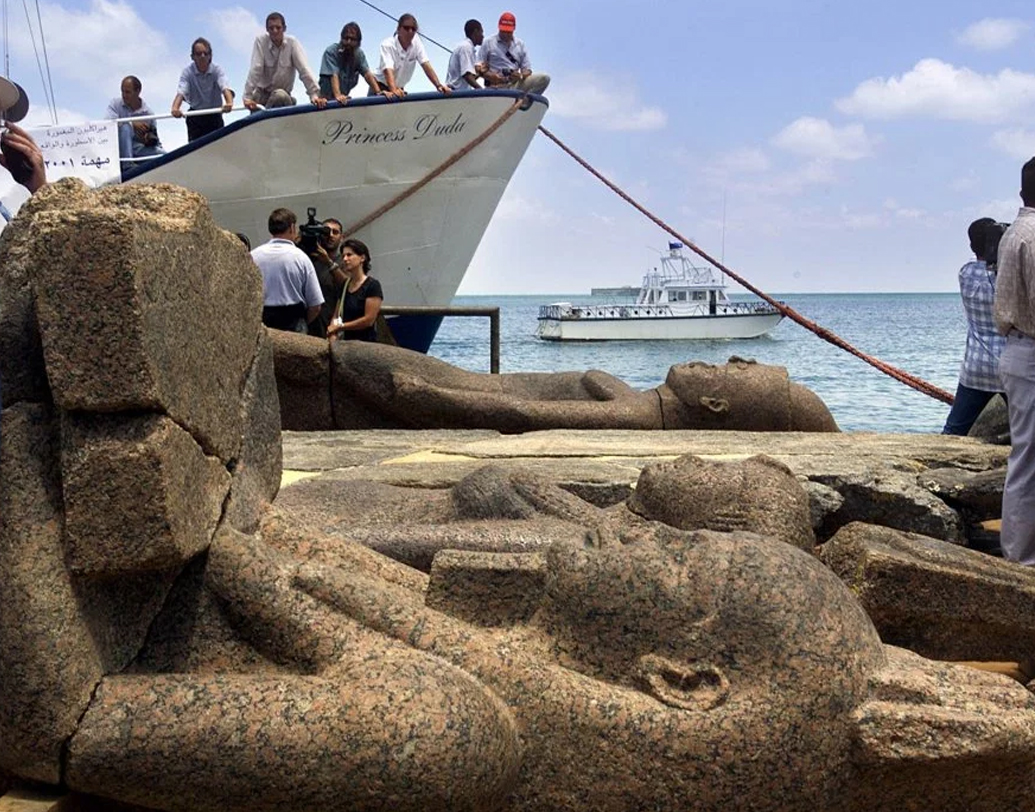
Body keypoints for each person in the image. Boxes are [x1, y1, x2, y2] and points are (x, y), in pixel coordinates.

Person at [995, 156, 1035, 566]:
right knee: (1028, 461)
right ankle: (1023, 562)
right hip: (1031, 350)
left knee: (1025, 457)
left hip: (1018, 349)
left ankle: (1021, 556)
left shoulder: (1014, 232)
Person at [942, 218, 1007, 435]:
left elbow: (977, 265)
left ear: (972, 246)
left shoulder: (965, 273)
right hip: (1009, 366)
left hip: (976, 366)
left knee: (955, 428)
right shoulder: (1006, 276)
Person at [251, 207, 324, 333]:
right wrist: (303, 323)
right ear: (292, 228)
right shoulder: (301, 258)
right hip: (293, 322)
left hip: (262, 321)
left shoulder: (253, 256)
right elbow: (316, 305)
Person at [243, 12, 326, 111]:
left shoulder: (292, 43)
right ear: (267, 29)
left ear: (284, 28)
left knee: (280, 96)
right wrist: (247, 97)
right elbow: (255, 69)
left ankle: (268, 117)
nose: (275, 31)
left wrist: (314, 95)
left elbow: (304, 70)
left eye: (278, 27)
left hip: (282, 96)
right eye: (271, 28)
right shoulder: (260, 42)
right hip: (262, 95)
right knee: (257, 99)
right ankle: (260, 119)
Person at [369, 14, 451, 98]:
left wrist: (438, 85)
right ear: (398, 29)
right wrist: (393, 91)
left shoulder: (417, 42)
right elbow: (388, 70)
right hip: (380, 87)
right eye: (406, 28)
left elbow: (426, 64)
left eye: (413, 29)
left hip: (399, 88)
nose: (410, 31)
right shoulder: (387, 45)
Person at [171, 38, 234, 142]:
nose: (203, 56)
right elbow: (181, 91)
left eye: (206, 53)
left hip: (214, 115)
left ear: (210, 56)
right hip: (195, 117)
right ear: (192, 57)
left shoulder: (217, 70)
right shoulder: (187, 72)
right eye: (198, 54)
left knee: (219, 148)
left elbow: (225, 87)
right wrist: (175, 108)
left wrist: (229, 102)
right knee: (195, 150)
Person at [477, 12, 550, 95]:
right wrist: (490, 76)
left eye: (508, 32)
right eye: (503, 31)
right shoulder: (488, 42)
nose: (505, 34)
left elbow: (527, 70)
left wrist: (520, 76)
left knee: (544, 78)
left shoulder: (520, 44)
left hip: (514, 84)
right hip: (495, 87)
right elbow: (478, 67)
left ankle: (523, 101)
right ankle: (517, 99)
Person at [327, 238, 383, 342]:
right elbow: (337, 314)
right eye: (343, 256)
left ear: (362, 258)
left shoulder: (372, 285)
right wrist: (332, 332)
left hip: (366, 343)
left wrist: (341, 326)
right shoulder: (345, 285)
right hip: (346, 342)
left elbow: (368, 320)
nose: (345, 259)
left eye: (349, 255)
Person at [105, 76, 163, 174]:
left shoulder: (148, 114)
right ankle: (127, 166)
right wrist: (132, 123)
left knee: (165, 155)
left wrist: (149, 139)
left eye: (127, 92)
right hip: (119, 150)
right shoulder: (115, 104)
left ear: (138, 91)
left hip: (139, 149)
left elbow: (156, 141)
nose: (124, 95)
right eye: (122, 91)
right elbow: (108, 125)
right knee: (126, 127)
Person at [319, 22, 384, 105]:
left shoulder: (359, 54)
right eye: (346, 38)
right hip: (325, 102)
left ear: (358, 42)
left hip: (343, 99)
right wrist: (338, 96)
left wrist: (378, 92)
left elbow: (367, 74)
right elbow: (333, 75)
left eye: (352, 39)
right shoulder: (331, 51)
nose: (348, 42)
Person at [307, 217, 348, 338]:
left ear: (342, 237)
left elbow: (348, 285)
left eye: (335, 232)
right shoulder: (308, 260)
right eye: (326, 231)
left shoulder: (345, 261)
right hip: (310, 324)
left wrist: (328, 262)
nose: (330, 235)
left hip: (334, 325)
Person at [446, 20, 484, 92]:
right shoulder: (466, 47)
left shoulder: (466, 47)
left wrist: (480, 73)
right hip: (456, 93)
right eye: (481, 32)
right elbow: (467, 76)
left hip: (458, 91)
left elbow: (467, 79)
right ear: (476, 32)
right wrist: (482, 91)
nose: (483, 36)